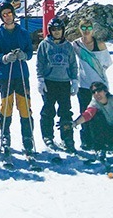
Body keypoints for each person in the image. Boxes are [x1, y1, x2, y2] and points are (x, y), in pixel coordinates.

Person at [0, 2, 35, 156]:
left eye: (9, 13)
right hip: (5, 75)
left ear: (14, 14)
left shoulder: (23, 32)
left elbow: (29, 51)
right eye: (4, 14)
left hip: (21, 74)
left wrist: (24, 55)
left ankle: (28, 137)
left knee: (24, 106)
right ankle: (5, 136)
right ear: (1, 17)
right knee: (6, 106)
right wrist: (3, 57)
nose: (7, 16)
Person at [36, 17, 79, 152]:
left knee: (65, 111)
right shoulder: (44, 44)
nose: (56, 32)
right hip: (49, 82)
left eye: (59, 29)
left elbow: (73, 64)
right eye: (54, 29)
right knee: (48, 110)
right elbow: (40, 63)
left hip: (64, 82)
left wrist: (75, 80)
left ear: (63, 30)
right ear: (50, 31)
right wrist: (40, 79)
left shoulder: (68, 46)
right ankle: (48, 136)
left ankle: (67, 138)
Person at [72, 18, 113, 150]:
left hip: (100, 86)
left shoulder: (99, 44)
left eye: (89, 28)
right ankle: (86, 140)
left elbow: (107, 63)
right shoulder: (77, 45)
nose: (86, 31)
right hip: (84, 85)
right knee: (85, 112)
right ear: (80, 29)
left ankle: (103, 140)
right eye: (83, 28)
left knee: (101, 113)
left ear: (92, 29)